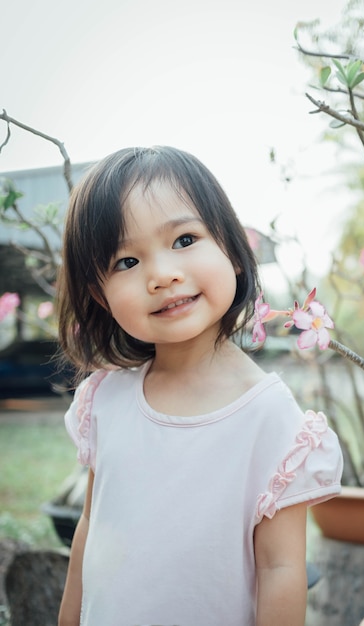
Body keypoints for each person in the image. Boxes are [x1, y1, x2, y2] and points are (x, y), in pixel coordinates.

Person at [57, 146, 343, 626]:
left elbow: (282, 567)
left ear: (233, 251)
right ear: (98, 297)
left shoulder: (270, 417)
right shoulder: (105, 399)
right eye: (126, 262)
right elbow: (91, 528)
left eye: (185, 239)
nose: (162, 273)